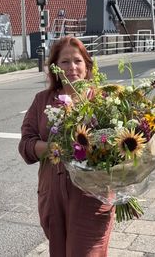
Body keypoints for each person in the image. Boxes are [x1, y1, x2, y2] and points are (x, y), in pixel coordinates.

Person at [18, 36, 115, 257]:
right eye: (64, 62)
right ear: (55, 68)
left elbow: (119, 147)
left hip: (92, 196)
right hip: (53, 196)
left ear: (87, 65)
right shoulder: (42, 100)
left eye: (78, 61)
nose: (72, 67)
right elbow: (26, 145)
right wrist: (57, 148)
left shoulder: (103, 100)